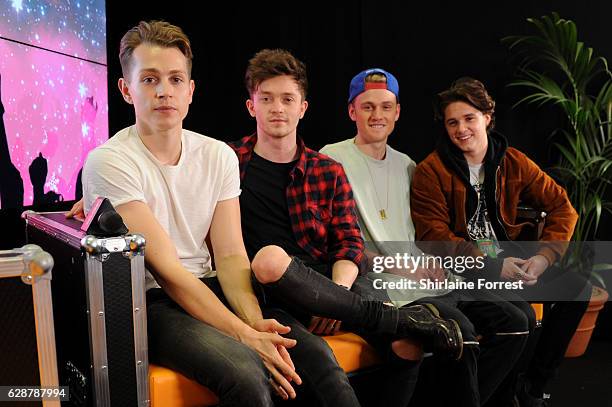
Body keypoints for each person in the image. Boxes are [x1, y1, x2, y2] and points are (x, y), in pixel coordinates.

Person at [78, 21, 303, 407]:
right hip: (152, 302)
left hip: (209, 283)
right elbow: (169, 272)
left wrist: (252, 320)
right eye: (149, 79)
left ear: (190, 90)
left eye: (175, 79)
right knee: (247, 375)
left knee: (313, 358)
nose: (164, 90)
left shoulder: (217, 154)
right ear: (126, 89)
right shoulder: (107, 161)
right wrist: (246, 337)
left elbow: (231, 255)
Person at [228, 49, 463, 407]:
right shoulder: (228, 164)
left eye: (287, 99)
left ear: (302, 107)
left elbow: (349, 243)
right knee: (324, 364)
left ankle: (405, 325)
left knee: (408, 345)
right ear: (251, 106)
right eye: (267, 99)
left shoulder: (326, 169)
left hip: (328, 283)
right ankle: (404, 319)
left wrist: (334, 296)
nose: (278, 108)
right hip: (267, 294)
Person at [321, 68, 529, 407]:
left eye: (386, 107)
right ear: (351, 111)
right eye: (368, 106)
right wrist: (403, 265)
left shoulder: (409, 166)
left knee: (517, 322)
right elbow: (338, 244)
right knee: (461, 336)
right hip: (383, 287)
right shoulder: (332, 159)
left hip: (439, 278)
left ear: (398, 112)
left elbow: (431, 232)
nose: (378, 115)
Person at [410, 77, 591, 407]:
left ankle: (534, 387)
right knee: (519, 316)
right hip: (468, 267)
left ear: (487, 118)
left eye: (469, 118)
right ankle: (491, 396)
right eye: (453, 122)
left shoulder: (512, 161)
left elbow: (561, 206)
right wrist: (493, 264)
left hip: (512, 260)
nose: (461, 129)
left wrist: (543, 258)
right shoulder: (430, 171)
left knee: (577, 289)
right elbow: (433, 237)